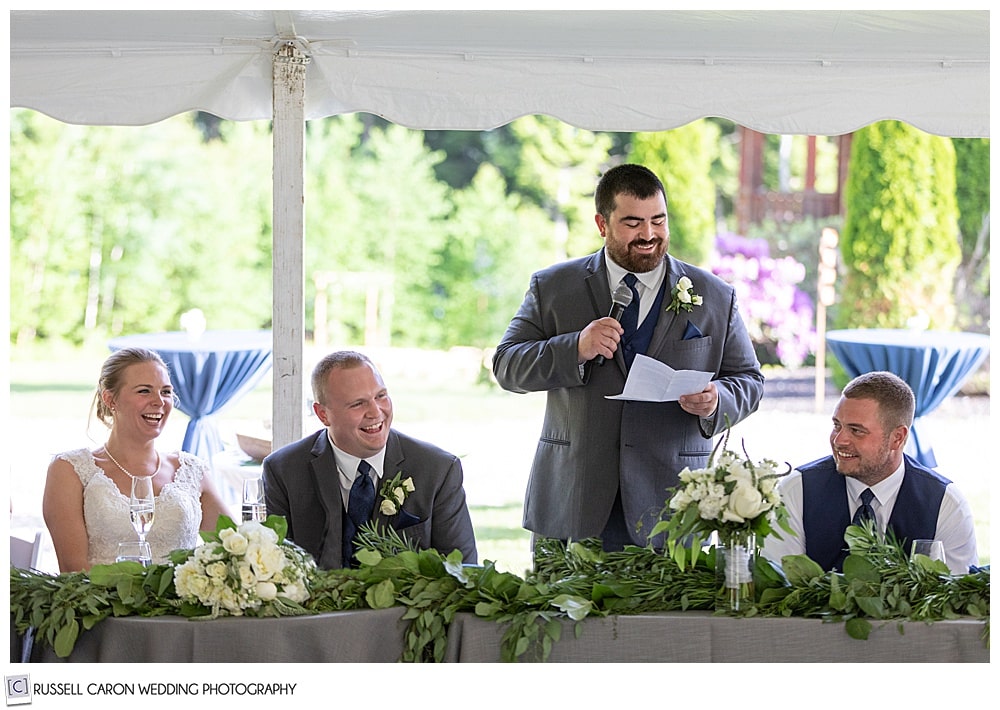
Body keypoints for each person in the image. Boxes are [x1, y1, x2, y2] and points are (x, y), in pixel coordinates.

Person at [493, 163, 764, 552]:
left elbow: (749, 381)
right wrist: (576, 348)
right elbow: (507, 365)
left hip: (674, 505)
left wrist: (717, 400)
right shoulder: (553, 286)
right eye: (633, 223)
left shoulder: (716, 295)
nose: (649, 235)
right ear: (602, 225)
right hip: (572, 500)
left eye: (658, 220)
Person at [262, 350, 477, 569]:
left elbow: (463, 572)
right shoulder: (283, 470)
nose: (376, 412)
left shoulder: (437, 470)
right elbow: (275, 571)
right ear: (323, 414)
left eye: (381, 396)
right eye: (358, 404)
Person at [762, 371, 978, 574]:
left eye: (856, 431)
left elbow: (957, 601)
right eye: (837, 426)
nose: (839, 441)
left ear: (897, 438)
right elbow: (779, 590)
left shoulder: (945, 504)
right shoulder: (796, 491)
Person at [42, 347, 231, 572]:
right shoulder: (70, 470)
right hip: (102, 605)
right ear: (110, 399)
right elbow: (73, 571)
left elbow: (235, 550)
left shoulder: (191, 470)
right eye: (144, 391)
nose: (159, 401)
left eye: (166, 392)